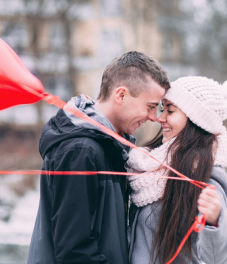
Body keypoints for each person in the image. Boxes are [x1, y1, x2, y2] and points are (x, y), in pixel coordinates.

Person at [27, 51, 170, 264]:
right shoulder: (81, 150)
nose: (153, 117)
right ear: (121, 95)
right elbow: (74, 251)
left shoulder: (109, 147)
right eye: (150, 106)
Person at [127, 76, 227, 264]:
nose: (160, 118)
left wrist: (214, 220)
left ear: (195, 119)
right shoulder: (147, 167)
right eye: (162, 109)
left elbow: (218, 258)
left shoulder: (206, 176)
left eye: (170, 111)